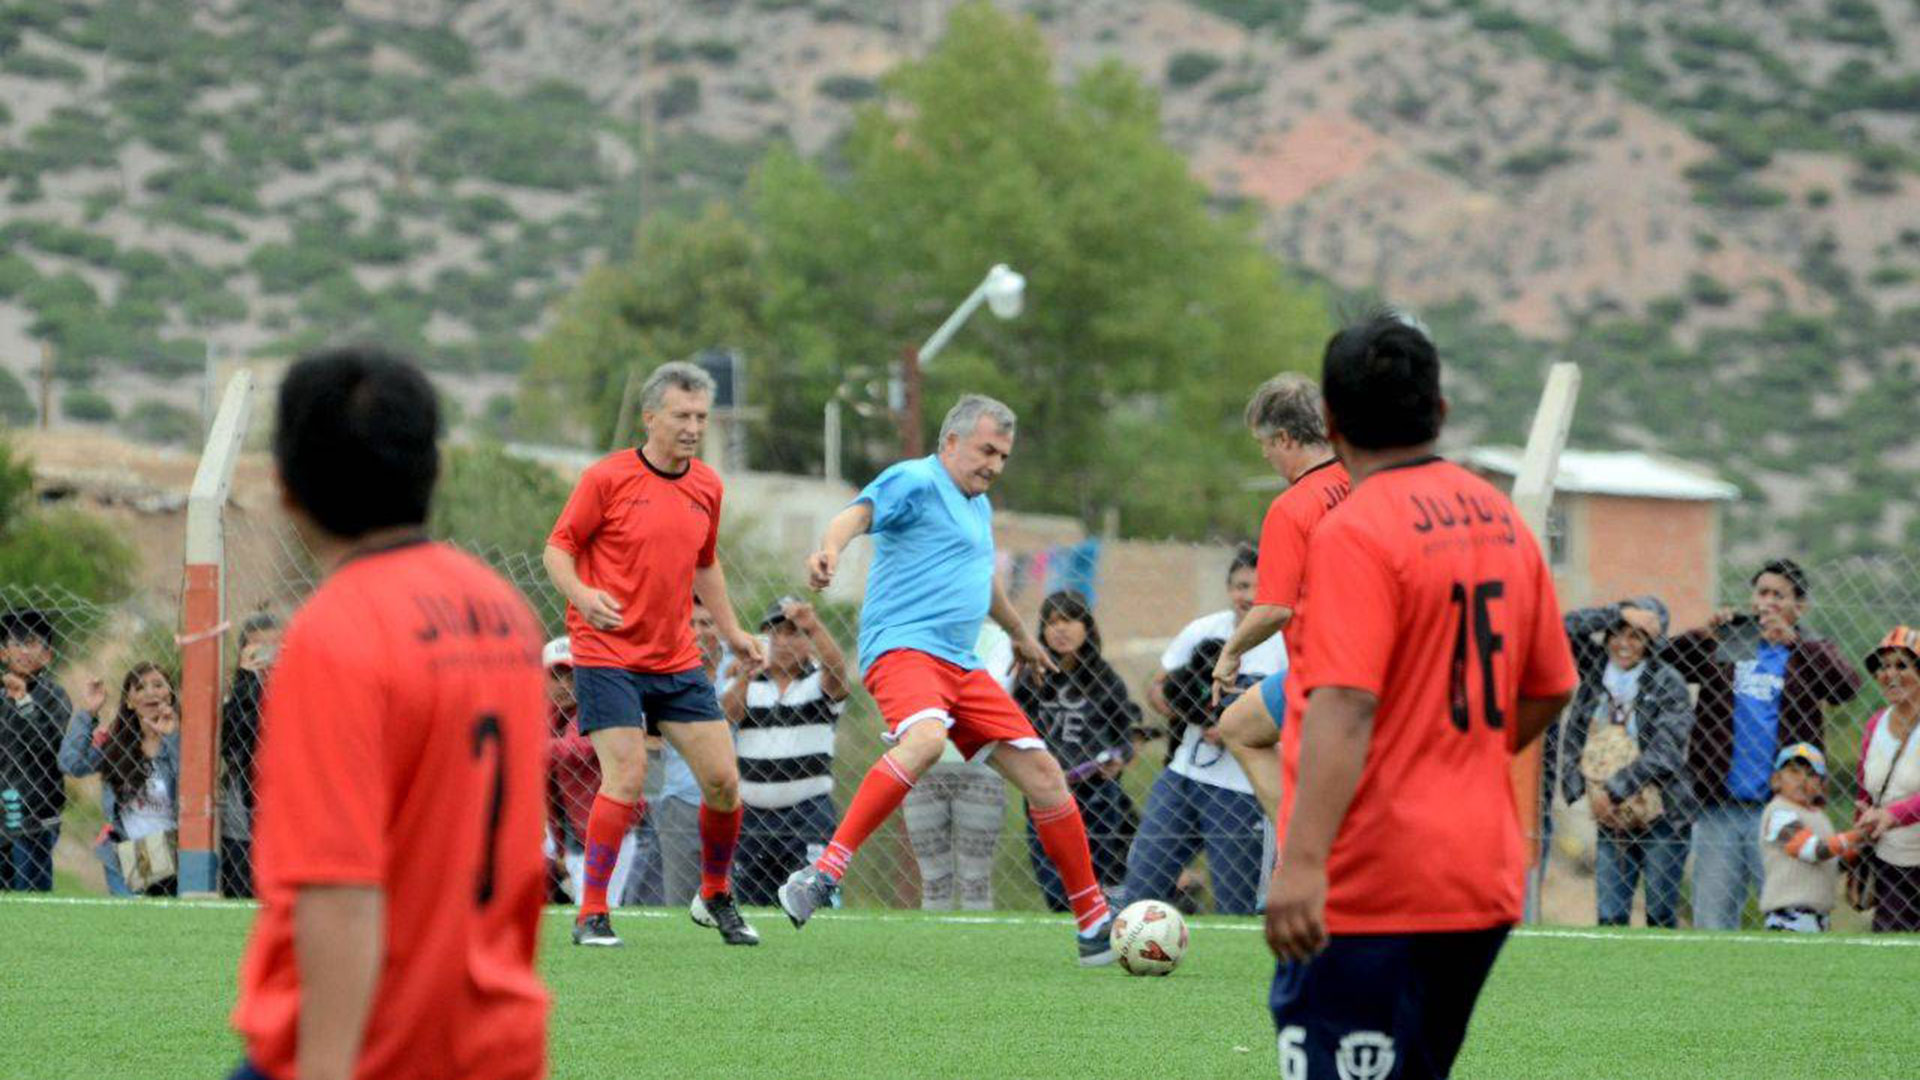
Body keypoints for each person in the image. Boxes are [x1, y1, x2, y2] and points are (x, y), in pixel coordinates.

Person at [1265, 313, 1578, 1079]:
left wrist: (1302, 863)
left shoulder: (1356, 531)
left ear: (1331, 422)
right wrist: (1457, 758)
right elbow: (1553, 685)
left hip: (1374, 882)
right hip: (1478, 878)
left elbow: (1344, 703)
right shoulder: (1501, 518)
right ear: (1438, 412)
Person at [230, 346, 550, 1080]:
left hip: (378, 1046)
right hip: (492, 1041)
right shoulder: (501, 610)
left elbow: (338, 889)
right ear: (431, 470)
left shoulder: (334, 632)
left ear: (284, 487)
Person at [782, 393, 1120, 965]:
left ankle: (1093, 923)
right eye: (987, 450)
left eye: (1004, 455)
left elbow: (981, 581)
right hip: (904, 651)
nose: (994, 464)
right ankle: (822, 873)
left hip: (960, 666)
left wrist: (1018, 633)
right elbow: (856, 514)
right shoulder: (915, 479)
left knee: (1044, 777)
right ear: (952, 443)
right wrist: (829, 550)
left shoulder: (978, 507)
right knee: (926, 740)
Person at [543, 360, 766, 948]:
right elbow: (558, 549)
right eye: (681, 415)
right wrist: (584, 596)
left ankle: (714, 894)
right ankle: (592, 913)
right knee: (628, 775)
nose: (693, 426)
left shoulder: (707, 486)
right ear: (651, 418)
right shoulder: (606, 478)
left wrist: (734, 631)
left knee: (723, 781)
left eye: (700, 416)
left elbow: (707, 564)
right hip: (605, 652)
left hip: (675, 659)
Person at [1665, 558, 1863, 929]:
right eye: (1762, 593)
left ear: (1798, 607)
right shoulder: (1736, 641)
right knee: (1713, 918)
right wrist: (1703, 636)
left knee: (1787, 912)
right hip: (1720, 804)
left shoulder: (1804, 651)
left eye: (1779, 595)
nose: (1768, 602)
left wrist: (1798, 643)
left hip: (1782, 810)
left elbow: (1847, 687)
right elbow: (1667, 662)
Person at [1213, 373, 1351, 818]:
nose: (1266, 454)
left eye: (1266, 443)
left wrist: (1231, 652)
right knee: (1237, 724)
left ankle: (1300, 840)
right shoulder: (1362, 480)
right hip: (1380, 661)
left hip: (1328, 677)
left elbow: (1273, 608)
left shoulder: (1292, 508)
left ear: (1288, 438)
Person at [1125, 549, 1283, 915]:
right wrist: (1194, 712)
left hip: (1243, 790)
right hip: (1183, 777)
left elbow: (1300, 714)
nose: (1249, 595)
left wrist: (1239, 727)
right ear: (1229, 589)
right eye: (1242, 585)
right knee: (1141, 888)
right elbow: (1157, 690)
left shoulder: (1285, 644)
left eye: (1260, 586)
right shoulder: (1204, 630)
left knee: (1235, 907)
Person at [1555, 599, 1694, 928]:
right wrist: (1618, 613)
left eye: (1635, 635)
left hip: (1661, 812)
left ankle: (1658, 978)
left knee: (1659, 915)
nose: (1623, 644)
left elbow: (1667, 749)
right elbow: (1563, 627)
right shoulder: (1595, 671)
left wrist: (1615, 789)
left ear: (1651, 642)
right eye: (1617, 633)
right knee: (1611, 915)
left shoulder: (1667, 681)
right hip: (1610, 815)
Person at [1014, 590, 1140, 911]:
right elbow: (1016, 728)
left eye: (1069, 620)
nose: (1061, 629)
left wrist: (1119, 759)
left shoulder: (1106, 678)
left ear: (1087, 627)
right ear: (1041, 630)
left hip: (1096, 791)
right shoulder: (1031, 676)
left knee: (1096, 877)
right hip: (1043, 790)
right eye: (1052, 622)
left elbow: (1125, 734)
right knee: (1054, 886)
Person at [722, 597, 850, 906]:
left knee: (813, 904)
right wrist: (746, 675)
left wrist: (815, 626)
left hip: (807, 815)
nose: (781, 641)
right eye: (774, 633)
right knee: (752, 905)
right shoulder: (750, 681)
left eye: (793, 633)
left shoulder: (819, 681)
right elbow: (728, 714)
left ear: (808, 640)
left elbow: (838, 671)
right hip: (752, 818)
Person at [900, 623, 1012, 911]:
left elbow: (991, 689)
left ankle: (980, 953)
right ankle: (935, 953)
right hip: (923, 765)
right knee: (934, 881)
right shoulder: (917, 634)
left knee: (976, 879)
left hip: (980, 766)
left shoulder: (1000, 640)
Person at [60, 663, 179, 895]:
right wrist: (88, 713)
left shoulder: (183, 740)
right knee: (133, 924)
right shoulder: (115, 744)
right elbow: (71, 764)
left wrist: (172, 736)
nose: (151, 692)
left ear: (170, 695)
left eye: (158, 685)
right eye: (140, 687)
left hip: (174, 851)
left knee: (162, 925)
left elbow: (191, 787)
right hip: (128, 852)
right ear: (129, 702)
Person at [544, 637, 639, 906]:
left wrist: (530, 747)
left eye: (571, 677)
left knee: (602, 905)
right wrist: (560, 845)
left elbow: (579, 749)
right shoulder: (547, 716)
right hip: (573, 832)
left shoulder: (596, 707)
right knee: (588, 906)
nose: (564, 685)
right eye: (555, 676)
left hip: (613, 829)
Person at [0, 609, 73, 891]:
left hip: (36, 813)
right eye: (16, 643)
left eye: (32, 643)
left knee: (30, 888)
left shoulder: (54, 696)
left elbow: (50, 747)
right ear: (4, 653)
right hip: (3, 803)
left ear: (47, 656)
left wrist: (23, 702)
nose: (23, 651)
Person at [1855, 626, 1920, 933]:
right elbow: (1864, 790)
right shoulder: (1875, 724)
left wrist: (1894, 815)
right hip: (1890, 864)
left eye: (1901, 665)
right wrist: (1859, 833)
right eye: (1883, 667)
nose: (1889, 674)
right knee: (1890, 955)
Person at [1759, 743, 1863, 933]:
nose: (1802, 780)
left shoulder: (1819, 817)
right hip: (1788, 915)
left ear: (1822, 786)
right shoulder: (1778, 811)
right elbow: (1812, 850)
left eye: (1811, 774)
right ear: (1776, 780)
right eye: (1793, 772)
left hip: (1819, 916)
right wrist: (1856, 835)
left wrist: (1861, 847)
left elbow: (1830, 861)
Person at [220, 612, 280, 898]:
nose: (268, 657)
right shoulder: (234, 692)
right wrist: (247, 679)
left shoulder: (300, 687)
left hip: (284, 813)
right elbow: (232, 737)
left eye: (275, 648)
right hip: (242, 818)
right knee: (242, 892)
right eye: (259, 649)